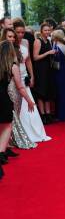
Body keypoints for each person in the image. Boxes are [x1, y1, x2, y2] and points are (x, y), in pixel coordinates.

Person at [14, 19, 51, 143]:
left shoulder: (25, 42)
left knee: (30, 106)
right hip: (14, 78)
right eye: (18, 32)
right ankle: (19, 135)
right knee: (20, 106)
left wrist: (32, 75)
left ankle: (34, 132)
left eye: (22, 32)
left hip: (25, 77)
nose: (20, 35)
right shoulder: (9, 44)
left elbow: (28, 59)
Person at [3, 39, 36, 150]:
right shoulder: (13, 66)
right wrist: (30, 101)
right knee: (11, 120)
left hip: (5, 93)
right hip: (12, 94)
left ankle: (7, 145)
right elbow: (20, 87)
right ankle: (5, 147)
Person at [33, 23, 56, 124]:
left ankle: (48, 114)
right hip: (40, 69)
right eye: (45, 30)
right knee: (41, 92)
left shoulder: (49, 40)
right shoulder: (38, 41)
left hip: (48, 69)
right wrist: (48, 53)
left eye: (48, 30)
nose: (47, 32)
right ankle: (42, 115)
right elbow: (35, 57)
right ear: (41, 31)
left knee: (47, 92)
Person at [0, 40, 16, 178]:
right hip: (4, 98)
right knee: (7, 126)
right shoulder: (11, 66)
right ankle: (1, 152)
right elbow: (20, 86)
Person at [51, 29, 65, 121]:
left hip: (60, 71)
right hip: (63, 70)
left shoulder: (58, 46)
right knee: (64, 92)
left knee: (61, 93)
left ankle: (63, 115)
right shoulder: (64, 45)